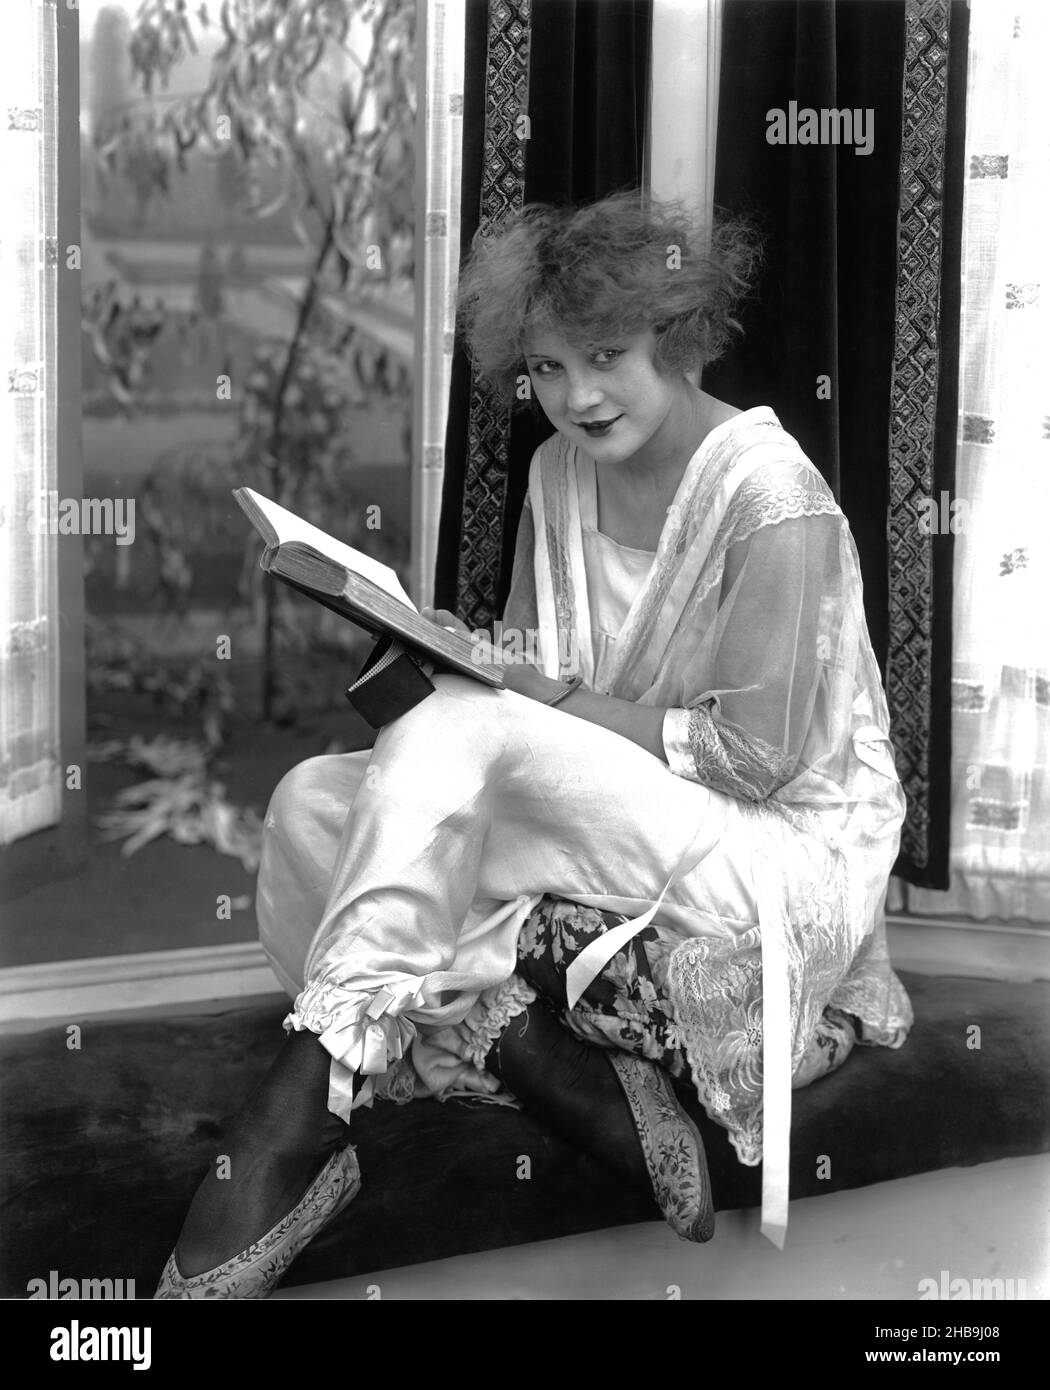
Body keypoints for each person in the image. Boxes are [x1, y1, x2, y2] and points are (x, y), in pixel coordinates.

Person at [156, 193, 912, 1299]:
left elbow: (753, 757)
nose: (577, 396)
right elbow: (520, 690)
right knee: (314, 798)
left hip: (776, 852)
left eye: (606, 356)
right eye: (549, 368)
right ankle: (526, 1049)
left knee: (458, 732)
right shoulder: (560, 474)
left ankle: (302, 1107)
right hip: (640, 818)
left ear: (679, 335)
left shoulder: (772, 497)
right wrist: (446, 653)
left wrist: (515, 690)